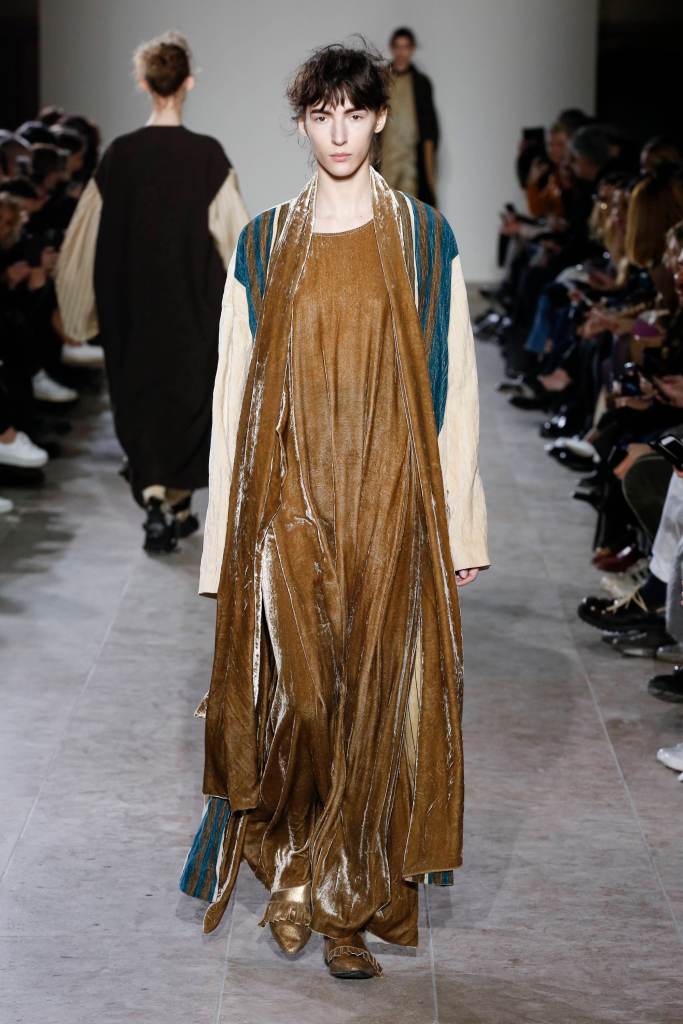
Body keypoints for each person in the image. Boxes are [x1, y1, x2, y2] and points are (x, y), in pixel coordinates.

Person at [180, 42, 489, 980]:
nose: (340, 133)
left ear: (381, 118)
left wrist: (460, 524)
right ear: (302, 124)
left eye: (355, 114)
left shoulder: (424, 239)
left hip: (390, 505)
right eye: (322, 116)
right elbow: (233, 397)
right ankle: (292, 862)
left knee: (370, 708)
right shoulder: (264, 242)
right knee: (300, 707)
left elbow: (454, 390)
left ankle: (345, 907)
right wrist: (221, 546)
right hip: (288, 505)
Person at [56, 32, 248, 551]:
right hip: (193, 306)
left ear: (143, 83)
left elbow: (81, 241)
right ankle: (174, 504)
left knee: (139, 400)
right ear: (188, 82)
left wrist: (78, 313)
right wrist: (251, 309)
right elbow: (235, 236)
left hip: (131, 307)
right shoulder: (207, 156)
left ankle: (158, 501)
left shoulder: (119, 156)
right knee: (188, 402)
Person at [379, 27, 439, 205]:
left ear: (412, 49)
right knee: (384, 205)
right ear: (392, 48)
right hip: (386, 156)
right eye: (398, 47)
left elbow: (429, 127)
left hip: (411, 158)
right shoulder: (381, 80)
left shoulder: (421, 83)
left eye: (405, 47)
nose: (401, 52)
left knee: (410, 207)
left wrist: (430, 176)